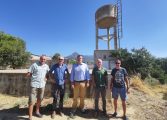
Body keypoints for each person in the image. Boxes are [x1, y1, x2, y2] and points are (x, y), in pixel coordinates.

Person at [26, 55, 49, 120]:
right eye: (42, 59)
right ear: (40, 59)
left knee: (40, 99)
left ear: (45, 60)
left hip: (42, 85)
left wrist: (46, 78)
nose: (43, 60)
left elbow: (48, 74)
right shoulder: (34, 65)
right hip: (34, 85)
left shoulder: (46, 66)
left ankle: (37, 111)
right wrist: (28, 75)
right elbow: (29, 73)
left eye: (44, 59)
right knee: (31, 100)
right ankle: (30, 116)